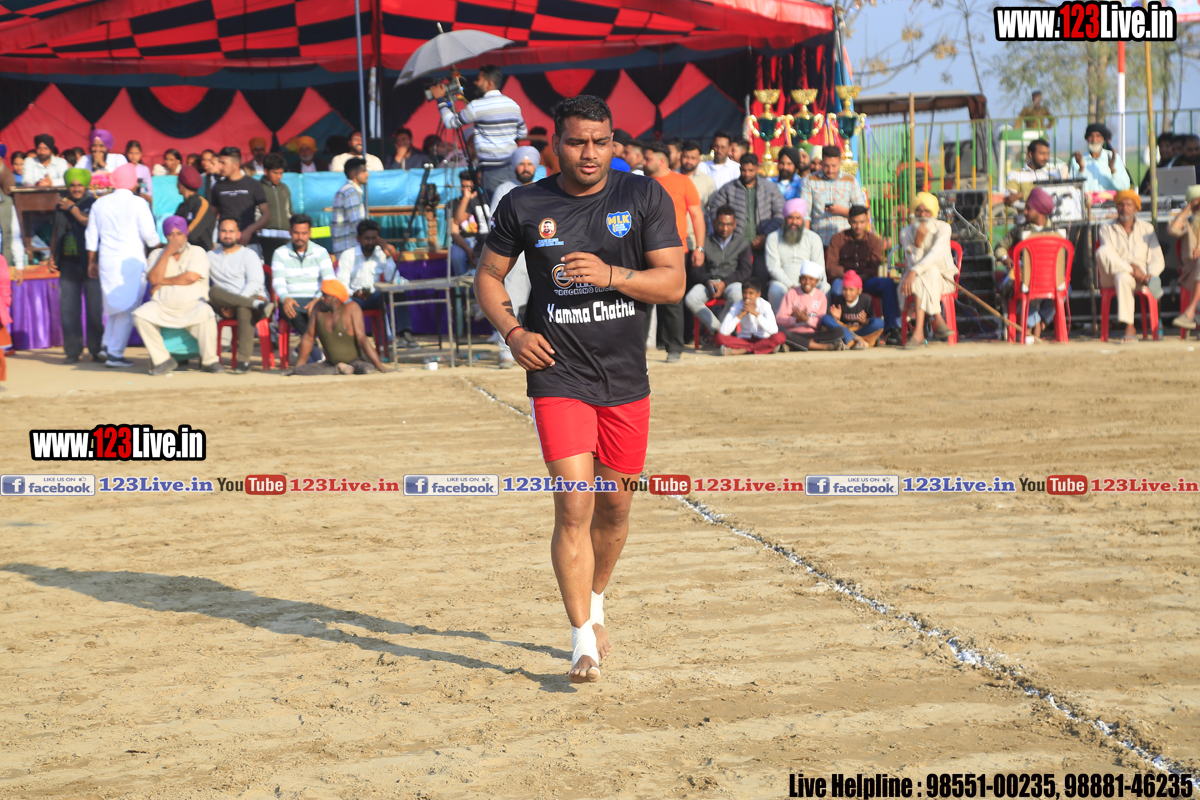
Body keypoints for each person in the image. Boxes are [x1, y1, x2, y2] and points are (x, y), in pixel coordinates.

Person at [473, 94, 684, 683]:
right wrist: (514, 333)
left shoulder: (644, 196)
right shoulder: (524, 204)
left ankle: (595, 600)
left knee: (615, 509)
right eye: (576, 142)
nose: (589, 153)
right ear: (555, 145)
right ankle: (581, 640)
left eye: (600, 141)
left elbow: (673, 284)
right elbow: (488, 276)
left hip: (625, 378)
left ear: (613, 142)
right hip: (557, 374)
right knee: (574, 503)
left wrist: (611, 274)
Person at [85, 163, 159, 368]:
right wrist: (161, 246)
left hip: (107, 261)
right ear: (133, 182)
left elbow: (91, 236)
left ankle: (106, 346)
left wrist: (92, 261)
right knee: (128, 308)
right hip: (131, 261)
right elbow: (150, 236)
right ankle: (115, 354)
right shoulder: (139, 203)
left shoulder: (99, 203)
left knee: (114, 306)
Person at [133, 216, 223, 375]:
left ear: (186, 234)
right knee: (139, 315)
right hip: (162, 306)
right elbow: (153, 279)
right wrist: (167, 253)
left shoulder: (197, 251)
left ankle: (209, 361)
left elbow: (191, 277)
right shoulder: (157, 254)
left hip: (192, 305)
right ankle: (163, 360)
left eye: (179, 234)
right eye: (171, 234)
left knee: (206, 312)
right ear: (166, 237)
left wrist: (162, 281)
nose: (176, 239)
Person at [644, 141, 703, 362]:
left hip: (675, 249)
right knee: (642, 298)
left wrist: (700, 247)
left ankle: (674, 348)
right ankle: (637, 348)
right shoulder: (641, 183)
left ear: (661, 161)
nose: (643, 162)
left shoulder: (683, 182)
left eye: (648, 159)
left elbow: (696, 215)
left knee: (672, 300)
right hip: (644, 248)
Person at [432, 65, 526, 196]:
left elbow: (451, 122)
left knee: (496, 206)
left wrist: (440, 100)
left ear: (489, 83)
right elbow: (522, 133)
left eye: (478, 79)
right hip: (512, 167)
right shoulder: (513, 105)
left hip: (491, 170)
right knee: (511, 204)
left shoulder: (477, 106)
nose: (475, 82)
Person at [993, 187, 1069, 342]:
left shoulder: (1057, 231)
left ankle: (1039, 323)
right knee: (1014, 288)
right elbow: (999, 247)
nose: (1025, 212)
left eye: (1028, 208)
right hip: (1025, 278)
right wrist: (1006, 259)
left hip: (1049, 279)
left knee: (1067, 289)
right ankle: (1033, 324)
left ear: (1040, 211)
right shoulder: (1019, 230)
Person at [335, 219, 419, 351]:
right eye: (367, 238)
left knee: (398, 291)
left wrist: (388, 256)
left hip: (376, 296)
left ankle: (404, 334)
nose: (370, 242)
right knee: (344, 301)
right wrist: (355, 294)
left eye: (373, 238)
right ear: (358, 239)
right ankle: (367, 344)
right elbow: (341, 284)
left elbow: (393, 279)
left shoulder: (381, 254)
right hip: (354, 299)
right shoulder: (348, 255)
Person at [47, 168, 102, 363]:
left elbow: (92, 225)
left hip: (90, 263)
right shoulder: (60, 205)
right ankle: (72, 351)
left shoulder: (94, 204)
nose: (76, 188)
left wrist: (73, 209)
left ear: (86, 186)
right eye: (72, 185)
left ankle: (97, 350)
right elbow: (56, 231)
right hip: (68, 263)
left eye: (79, 185)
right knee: (68, 310)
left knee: (94, 309)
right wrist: (52, 256)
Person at [706, 153, 784, 287]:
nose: (747, 174)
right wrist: (728, 233)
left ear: (757, 168)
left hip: (763, 246)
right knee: (737, 282)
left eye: (750, 170)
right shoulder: (728, 189)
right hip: (735, 247)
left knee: (761, 280)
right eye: (743, 170)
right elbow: (714, 211)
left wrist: (765, 235)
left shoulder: (770, 188)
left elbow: (780, 214)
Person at [1096, 190, 1164, 343]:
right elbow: (1109, 257)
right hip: (1112, 275)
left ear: (1136, 208)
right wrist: (1132, 268)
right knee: (1102, 251)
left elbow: (1157, 257)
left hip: (1140, 278)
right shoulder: (1106, 228)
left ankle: (1130, 327)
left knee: (1123, 278)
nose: (1124, 208)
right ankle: (1137, 276)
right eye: (1121, 204)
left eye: (1129, 205)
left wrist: (1151, 274)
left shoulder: (1147, 228)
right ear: (1116, 207)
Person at [208, 217, 273, 373]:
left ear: (238, 234)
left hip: (253, 296)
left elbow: (255, 283)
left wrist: (236, 303)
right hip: (227, 304)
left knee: (244, 309)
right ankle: (255, 305)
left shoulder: (249, 254)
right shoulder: (210, 256)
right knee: (213, 291)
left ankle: (243, 361)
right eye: (224, 231)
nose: (227, 235)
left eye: (231, 231)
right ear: (218, 233)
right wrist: (232, 304)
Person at [287, 280, 388, 375]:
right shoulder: (318, 308)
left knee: (367, 368)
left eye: (325, 296)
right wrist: (298, 369)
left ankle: (342, 368)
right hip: (329, 364)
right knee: (302, 370)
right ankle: (337, 369)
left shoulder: (352, 308)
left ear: (336, 299)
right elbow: (308, 338)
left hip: (355, 361)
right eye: (322, 294)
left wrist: (381, 367)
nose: (322, 298)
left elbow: (362, 339)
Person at [898, 192, 957, 348]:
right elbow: (911, 261)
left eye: (927, 211)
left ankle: (918, 333)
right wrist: (918, 244)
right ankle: (938, 319)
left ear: (933, 213)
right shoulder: (906, 232)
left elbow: (934, 255)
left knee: (926, 274)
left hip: (943, 279)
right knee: (922, 277)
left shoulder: (943, 228)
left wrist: (914, 271)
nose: (922, 215)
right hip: (914, 280)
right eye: (918, 211)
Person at [825, 205, 896, 335]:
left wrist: (858, 280)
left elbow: (873, 267)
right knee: (836, 288)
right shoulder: (838, 239)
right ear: (849, 221)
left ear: (867, 221)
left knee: (888, 284)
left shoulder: (874, 241)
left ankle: (892, 328)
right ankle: (843, 328)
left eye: (862, 222)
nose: (858, 226)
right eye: (855, 222)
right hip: (844, 280)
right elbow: (831, 266)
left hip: (865, 280)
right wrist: (849, 278)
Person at [272, 213, 334, 360]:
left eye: (304, 233)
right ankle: (316, 352)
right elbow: (278, 282)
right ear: (290, 232)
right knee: (292, 309)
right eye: (296, 233)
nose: (300, 237)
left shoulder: (321, 252)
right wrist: (285, 298)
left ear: (310, 233)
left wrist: (318, 299)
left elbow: (329, 280)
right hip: (292, 300)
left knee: (325, 309)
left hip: (315, 298)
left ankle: (304, 349)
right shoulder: (280, 253)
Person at [687, 205, 751, 336]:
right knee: (691, 298)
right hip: (708, 283)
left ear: (735, 224)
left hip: (730, 283)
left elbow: (745, 271)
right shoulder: (704, 242)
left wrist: (724, 283)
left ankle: (720, 330)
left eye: (729, 224)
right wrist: (708, 282)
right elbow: (696, 271)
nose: (725, 228)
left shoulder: (742, 243)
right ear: (715, 223)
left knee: (739, 294)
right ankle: (718, 330)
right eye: (721, 224)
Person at [765, 198, 826, 311]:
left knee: (825, 287)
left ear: (802, 219)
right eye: (790, 218)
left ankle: (821, 321)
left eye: (798, 218)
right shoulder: (773, 238)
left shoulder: (814, 238)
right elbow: (773, 267)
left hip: (809, 282)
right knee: (775, 290)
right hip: (783, 283)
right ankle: (780, 322)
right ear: (785, 218)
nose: (794, 222)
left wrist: (807, 284)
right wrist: (791, 285)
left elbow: (819, 268)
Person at [801, 145, 868, 247]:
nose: (830, 170)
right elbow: (805, 214)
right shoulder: (810, 180)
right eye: (826, 166)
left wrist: (842, 211)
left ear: (840, 162)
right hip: (819, 241)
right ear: (822, 162)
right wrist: (805, 241)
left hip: (845, 241)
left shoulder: (850, 181)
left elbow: (861, 213)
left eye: (834, 166)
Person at [775, 261, 844, 351]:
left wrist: (806, 319)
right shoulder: (792, 293)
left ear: (817, 281)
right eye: (804, 278)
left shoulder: (820, 295)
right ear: (799, 279)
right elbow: (779, 319)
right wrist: (796, 320)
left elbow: (820, 322)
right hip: (794, 333)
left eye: (811, 279)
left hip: (814, 335)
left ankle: (796, 346)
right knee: (782, 334)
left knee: (839, 331)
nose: (807, 282)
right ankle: (823, 347)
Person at [210, 147, 270, 248]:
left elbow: (267, 215)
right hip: (224, 244)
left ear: (236, 165)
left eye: (223, 163)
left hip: (249, 243)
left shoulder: (253, 184)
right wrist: (211, 240)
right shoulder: (218, 187)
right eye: (219, 162)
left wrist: (249, 231)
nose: (220, 166)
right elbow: (212, 217)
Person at [714, 279, 784, 355]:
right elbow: (723, 331)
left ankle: (742, 351)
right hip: (744, 340)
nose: (747, 296)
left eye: (751, 293)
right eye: (744, 293)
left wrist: (755, 313)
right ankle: (765, 348)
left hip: (763, 339)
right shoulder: (737, 305)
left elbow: (774, 330)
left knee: (780, 336)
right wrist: (741, 314)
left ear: (758, 294)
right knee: (719, 337)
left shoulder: (765, 305)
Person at [822, 270, 884, 349]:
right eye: (845, 289)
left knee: (879, 322)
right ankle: (858, 340)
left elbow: (872, 320)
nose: (847, 293)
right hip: (844, 329)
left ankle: (850, 341)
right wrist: (836, 318)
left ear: (859, 290)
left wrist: (865, 321)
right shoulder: (839, 299)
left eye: (851, 289)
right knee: (825, 318)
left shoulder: (866, 299)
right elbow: (837, 324)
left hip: (860, 330)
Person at [1005, 138, 1069, 208]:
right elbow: (1010, 200)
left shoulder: (1053, 174)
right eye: (1042, 154)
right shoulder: (1015, 174)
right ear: (1030, 154)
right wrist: (1040, 202)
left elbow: (1057, 197)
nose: (1046, 158)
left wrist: (1021, 195)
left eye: (1048, 154)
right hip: (1023, 215)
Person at [1169, 186, 1200, 330]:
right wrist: (1188, 207)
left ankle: (1190, 312)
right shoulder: (1188, 224)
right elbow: (1173, 230)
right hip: (1192, 273)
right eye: (1197, 204)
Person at [1070, 123, 1130, 193]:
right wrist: (1081, 168)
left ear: (1103, 139)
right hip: (1086, 199)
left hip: (1110, 199)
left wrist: (1112, 169)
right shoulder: (1077, 160)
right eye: (1091, 136)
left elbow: (1125, 187)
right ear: (1086, 139)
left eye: (1098, 136)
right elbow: (1073, 188)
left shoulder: (1114, 158)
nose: (1094, 139)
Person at [256, 152, 293, 266]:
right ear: (266, 171)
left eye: (281, 173)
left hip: (285, 237)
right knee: (268, 268)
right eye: (275, 173)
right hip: (264, 238)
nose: (279, 177)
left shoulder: (284, 188)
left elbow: (289, 212)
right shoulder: (257, 188)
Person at [449, 170, 488, 276]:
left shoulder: (483, 200)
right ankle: (463, 283)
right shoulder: (453, 204)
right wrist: (468, 250)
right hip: (463, 241)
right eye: (462, 186)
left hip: (482, 239)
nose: (464, 190)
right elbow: (454, 231)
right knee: (456, 255)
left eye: (468, 186)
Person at [331, 157, 368, 257]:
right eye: (364, 171)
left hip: (346, 250)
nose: (367, 174)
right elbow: (358, 224)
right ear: (354, 174)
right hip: (350, 250)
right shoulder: (350, 192)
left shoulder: (347, 190)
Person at [174, 166, 216, 252]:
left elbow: (192, 234)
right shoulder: (182, 206)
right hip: (184, 252)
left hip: (200, 253)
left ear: (181, 186)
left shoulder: (202, 204)